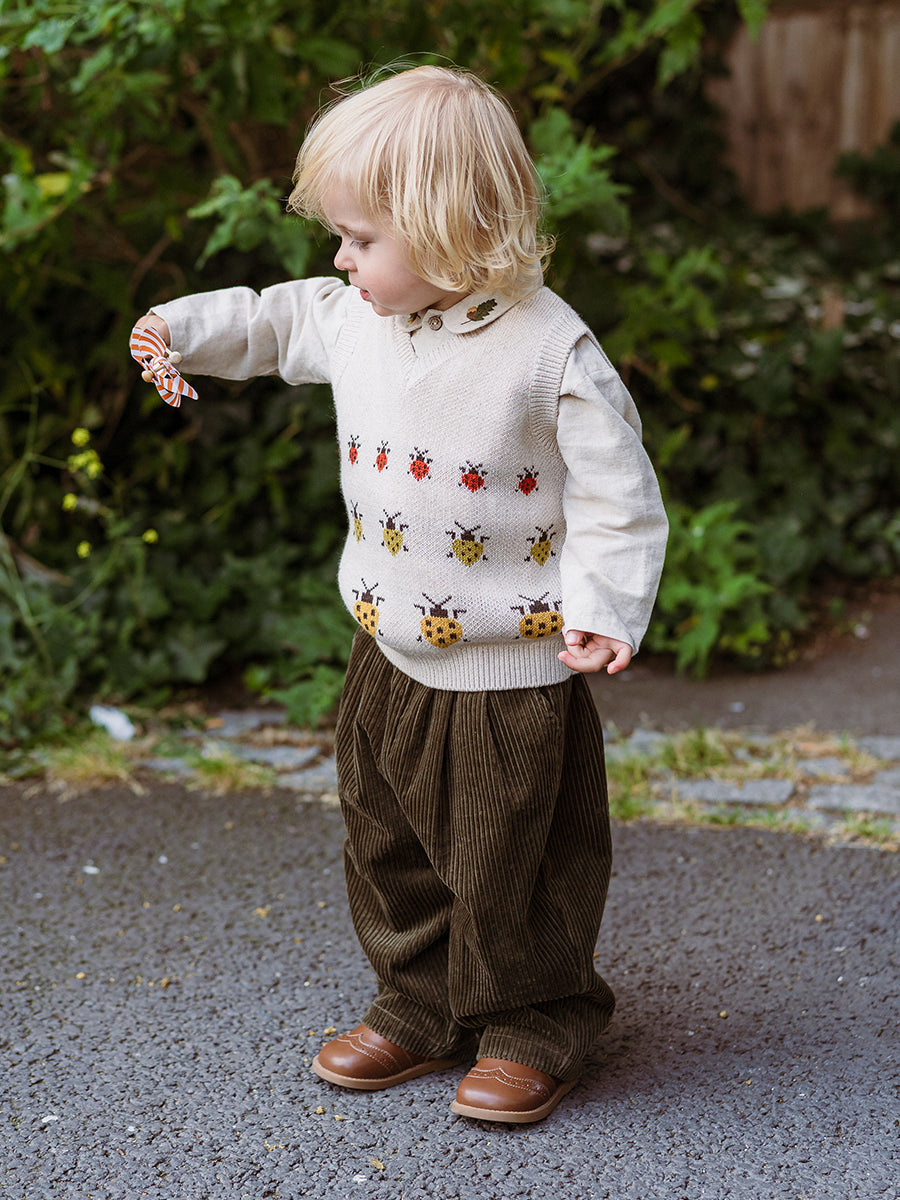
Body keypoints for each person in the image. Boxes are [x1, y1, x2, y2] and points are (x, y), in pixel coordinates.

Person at [132, 64, 668, 1124]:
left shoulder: (548, 351)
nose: (340, 258)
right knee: (388, 843)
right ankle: (419, 1004)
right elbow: (272, 320)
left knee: (513, 859)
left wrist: (605, 606)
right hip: (385, 650)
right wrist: (175, 328)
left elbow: (618, 493)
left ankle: (533, 1023)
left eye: (360, 237)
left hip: (509, 670)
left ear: (451, 228)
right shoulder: (356, 317)